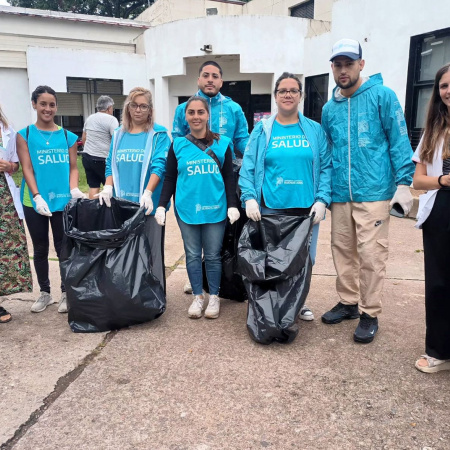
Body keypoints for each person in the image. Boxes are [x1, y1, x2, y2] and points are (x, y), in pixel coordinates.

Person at [320, 39, 415, 343]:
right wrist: (323, 193)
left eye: (349, 63)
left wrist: (404, 182)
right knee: (342, 252)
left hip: (374, 191)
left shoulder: (382, 96)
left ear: (361, 64)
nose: (343, 70)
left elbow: (399, 138)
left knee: (372, 255)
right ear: (332, 68)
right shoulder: (328, 109)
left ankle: (369, 312)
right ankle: (348, 302)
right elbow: (327, 152)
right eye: (338, 64)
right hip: (340, 194)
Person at [239, 72, 332, 321]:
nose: (288, 94)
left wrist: (322, 199)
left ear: (300, 96)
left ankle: (298, 303)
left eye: (293, 90)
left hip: (305, 211)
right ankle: (273, 303)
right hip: (271, 208)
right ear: (276, 96)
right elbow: (248, 167)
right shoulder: (263, 130)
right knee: (273, 259)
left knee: (303, 259)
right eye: (283, 91)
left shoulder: (314, 130)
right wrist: (249, 197)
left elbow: (326, 167)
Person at [155, 95, 240, 319]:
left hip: (215, 209)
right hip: (187, 209)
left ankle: (213, 296)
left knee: (212, 255)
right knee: (192, 254)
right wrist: (162, 206)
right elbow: (170, 177)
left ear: (207, 115)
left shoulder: (223, 143)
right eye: (191, 112)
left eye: (200, 112)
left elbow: (229, 178)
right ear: (186, 116)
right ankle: (197, 297)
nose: (196, 116)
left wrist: (232, 204)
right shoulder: (178, 145)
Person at [172, 60, 249, 295]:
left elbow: (243, 141)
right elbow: (176, 140)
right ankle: (196, 277)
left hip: (225, 178)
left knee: (222, 234)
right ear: (198, 79)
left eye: (215, 76)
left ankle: (220, 278)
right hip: (193, 180)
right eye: (206, 75)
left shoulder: (234, 108)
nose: (210, 80)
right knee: (194, 226)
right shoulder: (184, 108)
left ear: (221, 81)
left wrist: (250, 166)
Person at [16, 85, 86, 314]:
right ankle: (45, 292)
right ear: (34, 104)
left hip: (62, 201)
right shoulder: (25, 135)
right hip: (34, 200)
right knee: (40, 247)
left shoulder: (67, 136)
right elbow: (26, 168)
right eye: (43, 104)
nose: (48, 108)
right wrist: (36, 196)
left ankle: (67, 292)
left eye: (52, 104)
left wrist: (73, 189)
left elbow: (74, 168)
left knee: (64, 247)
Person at [97, 87, 170, 291]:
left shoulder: (159, 134)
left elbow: (159, 165)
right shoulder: (119, 134)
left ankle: (155, 295)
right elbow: (110, 163)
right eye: (134, 105)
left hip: (148, 206)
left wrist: (148, 193)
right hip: (123, 206)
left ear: (150, 109)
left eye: (143, 106)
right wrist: (108, 187)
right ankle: (130, 295)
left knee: (152, 252)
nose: (138, 110)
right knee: (126, 251)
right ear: (128, 108)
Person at [412, 63, 450, 373]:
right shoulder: (433, 131)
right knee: (438, 282)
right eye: (443, 86)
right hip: (441, 207)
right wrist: (443, 181)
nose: (448, 90)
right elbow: (418, 181)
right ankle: (438, 351)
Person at [0, 103, 33, 322]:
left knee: (5, 247)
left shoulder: (7, 130)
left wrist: (8, 166)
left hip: (3, 195)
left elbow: (16, 165)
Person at [81, 95, 119, 199]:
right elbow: (116, 140)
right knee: (110, 186)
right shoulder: (112, 120)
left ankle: (93, 211)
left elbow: (84, 138)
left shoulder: (90, 118)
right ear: (109, 107)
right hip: (102, 158)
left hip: (87, 157)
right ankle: (110, 212)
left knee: (93, 186)